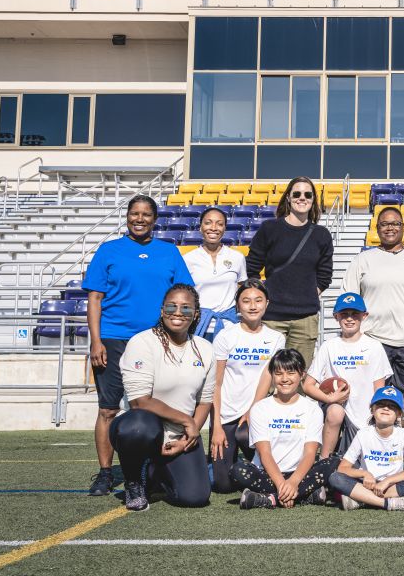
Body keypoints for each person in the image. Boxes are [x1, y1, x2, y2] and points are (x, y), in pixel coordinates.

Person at [82, 195, 194, 497]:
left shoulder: (169, 252)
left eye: (146, 214)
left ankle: (150, 470)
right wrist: (96, 341)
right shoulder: (109, 251)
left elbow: (185, 294)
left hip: (158, 341)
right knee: (107, 409)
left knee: (150, 408)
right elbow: (95, 299)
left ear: (155, 219)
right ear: (127, 216)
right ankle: (106, 473)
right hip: (113, 338)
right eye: (134, 213)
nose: (140, 219)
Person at [340, 205, 404, 456]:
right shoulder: (362, 260)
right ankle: (373, 455)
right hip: (374, 343)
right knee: (378, 402)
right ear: (377, 229)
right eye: (384, 224)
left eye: (395, 223)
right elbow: (348, 298)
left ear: (402, 227)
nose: (390, 228)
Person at [108, 283, 215, 511]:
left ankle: (156, 471)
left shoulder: (206, 349)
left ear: (196, 314)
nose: (178, 313)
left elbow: (205, 401)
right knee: (137, 427)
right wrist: (186, 420)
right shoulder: (142, 342)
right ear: (162, 310)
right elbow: (140, 401)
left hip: (180, 435)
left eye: (186, 308)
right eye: (171, 306)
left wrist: (189, 434)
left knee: (195, 498)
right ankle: (134, 481)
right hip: (144, 428)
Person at [230, 348, 341, 509]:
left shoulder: (312, 409)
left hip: (300, 474)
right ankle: (305, 495)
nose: (284, 379)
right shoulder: (260, 408)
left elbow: (310, 452)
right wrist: (283, 484)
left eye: (290, 373)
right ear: (272, 376)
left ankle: (269, 499)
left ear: (301, 375)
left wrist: (294, 482)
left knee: (334, 462)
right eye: (278, 373)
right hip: (267, 474)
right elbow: (264, 452)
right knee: (237, 470)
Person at [245, 176, 334, 368]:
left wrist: (306, 295)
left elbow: (324, 275)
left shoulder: (321, 235)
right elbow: (252, 267)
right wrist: (264, 298)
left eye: (307, 194)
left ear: (313, 200)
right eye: (297, 193)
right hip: (271, 317)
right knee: (266, 377)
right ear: (288, 198)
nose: (302, 198)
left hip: (305, 319)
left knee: (298, 377)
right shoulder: (270, 228)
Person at [209, 279, 286, 494]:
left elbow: (266, 377)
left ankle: (258, 465)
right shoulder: (225, 336)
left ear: (267, 304)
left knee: (245, 434)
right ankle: (215, 466)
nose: (253, 306)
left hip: (255, 411)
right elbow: (216, 383)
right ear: (238, 306)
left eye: (258, 300)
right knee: (223, 486)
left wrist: (253, 410)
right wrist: (216, 426)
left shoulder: (276, 338)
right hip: (225, 415)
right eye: (246, 301)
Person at [304, 292, 393, 459]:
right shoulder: (329, 346)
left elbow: (379, 388)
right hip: (333, 408)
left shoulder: (374, 346)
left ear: (364, 316)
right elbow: (307, 385)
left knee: (356, 463)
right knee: (336, 412)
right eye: (344, 314)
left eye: (355, 314)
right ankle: (323, 463)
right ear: (336, 316)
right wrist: (329, 399)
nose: (349, 319)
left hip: (363, 412)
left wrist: (375, 413)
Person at [328, 386, 404, 511]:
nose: (386, 408)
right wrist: (364, 474)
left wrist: (388, 481)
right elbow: (343, 468)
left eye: (392, 406)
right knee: (335, 478)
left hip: (391, 486)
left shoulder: (403, 435)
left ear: (399, 414)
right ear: (372, 409)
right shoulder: (363, 434)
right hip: (365, 483)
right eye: (381, 404)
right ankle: (387, 503)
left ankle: (362, 499)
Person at [183, 207, 247, 340]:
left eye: (219, 223)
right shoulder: (188, 259)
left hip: (230, 327)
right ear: (200, 227)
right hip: (198, 327)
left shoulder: (237, 257)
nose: (213, 228)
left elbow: (242, 289)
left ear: (225, 228)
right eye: (208, 223)